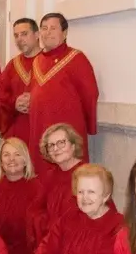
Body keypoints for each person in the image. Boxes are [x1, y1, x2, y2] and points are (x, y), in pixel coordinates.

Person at [27, 13, 99, 175]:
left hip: (67, 130)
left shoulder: (76, 58)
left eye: (53, 28)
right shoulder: (37, 61)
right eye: (44, 28)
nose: (48, 32)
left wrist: (88, 127)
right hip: (39, 128)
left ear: (65, 33)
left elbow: (90, 94)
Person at [0, 137, 43, 254]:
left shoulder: (37, 189)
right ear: (1, 161)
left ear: (25, 160)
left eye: (17, 154)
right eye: (6, 155)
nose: (11, 159)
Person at [0, 18, 41, 161]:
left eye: (24, 34)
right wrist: (14, 103)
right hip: (18, 129)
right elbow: (1, 93)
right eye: (16, 35)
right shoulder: (13, 65)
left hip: (41, 128)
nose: (19, 39)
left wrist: (36, 101)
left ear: (37, 35)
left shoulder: (48, 61)